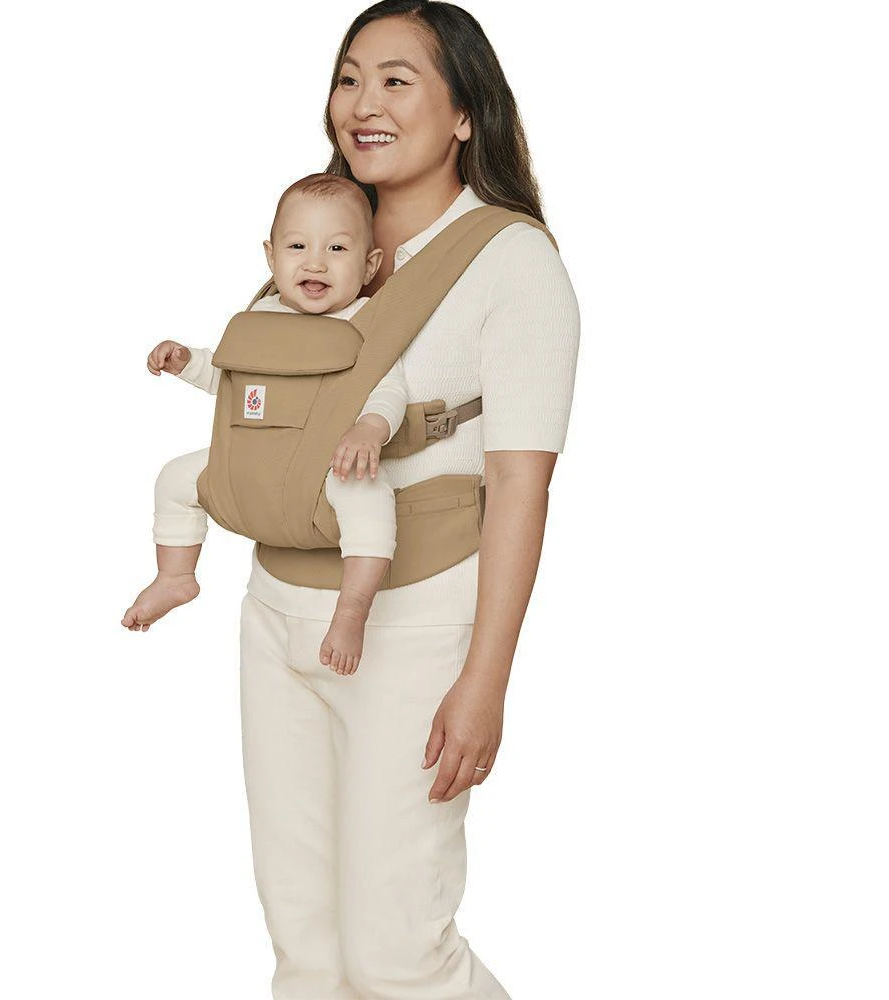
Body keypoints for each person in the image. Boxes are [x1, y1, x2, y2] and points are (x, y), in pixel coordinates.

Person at [236, 3, 580, 997]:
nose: (363, 103)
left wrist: (485, 679)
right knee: (307, 950)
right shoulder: (317, 240)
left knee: (398, 952)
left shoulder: (510, 261)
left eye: (397, 80)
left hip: (418, 618)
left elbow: (521, 483)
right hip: (276, 609)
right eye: (349, 78)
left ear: (467, 111)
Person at [121, 174, 414, 674]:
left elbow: (389, 388)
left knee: (370, 498)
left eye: (337, 248)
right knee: (175, 478)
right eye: (298, 246)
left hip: (322, 472)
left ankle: (352, 607)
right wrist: (187, 361)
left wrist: (370, 428)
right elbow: (231, 379)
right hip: (248, 465)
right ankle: (175, 576)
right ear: (270, 256)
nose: (315, 262)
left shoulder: (364, 324)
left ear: (369, 265)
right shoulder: (259, 317)